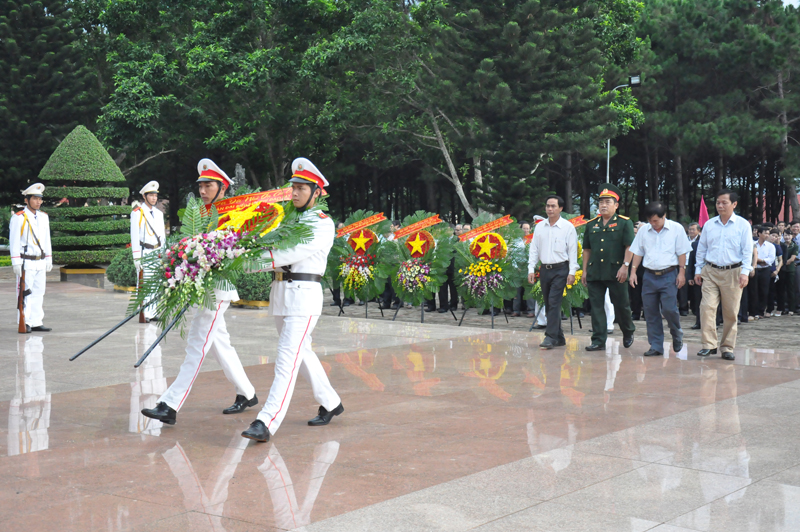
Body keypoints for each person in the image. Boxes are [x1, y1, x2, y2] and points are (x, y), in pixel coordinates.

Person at [142, 159, 258, 426]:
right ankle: (247, 393)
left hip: (218, 290)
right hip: (205, 288)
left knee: (197, 344)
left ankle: (170, 404)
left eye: (208, 185)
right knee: (220, 343)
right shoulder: (203, 215)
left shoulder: (231, 216)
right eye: (201, 186)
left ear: (223, 188)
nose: (203, 190)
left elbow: (227, 252)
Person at [242, 157, 343, 443]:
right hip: (282, 295)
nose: (295, 193)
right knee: (302, 354)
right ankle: (332, 402)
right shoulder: (286, 219)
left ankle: (266, 421)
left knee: (286, 358)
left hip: (304, 298)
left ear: (317, 192)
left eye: (301, 188)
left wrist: (245, 262)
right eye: (293, 187)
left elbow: (290, 253)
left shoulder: (322, 224)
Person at [694, 189, 754, 361]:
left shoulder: (743, 225)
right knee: (707, 308)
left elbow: (747, 251)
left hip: (733, 272)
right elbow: (702, 248)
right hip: (711, 271)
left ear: (734, 204)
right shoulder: (710, 224)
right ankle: (708, 345)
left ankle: (727, 346)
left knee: (730, 312)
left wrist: (745, 272)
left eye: (724, 202)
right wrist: (698, 270)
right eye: (718, 202)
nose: (720, 205)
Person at [628, 201, 692, 357]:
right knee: (650, 311)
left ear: (664, 216)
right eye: (650, 221)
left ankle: (676, 334)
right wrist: (633, 271)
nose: (653, 224)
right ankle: (656, 345)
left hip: (669, 274)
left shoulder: (676, 229)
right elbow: (637, 252)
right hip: (649, 275)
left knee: (669, 309)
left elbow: (682, 252)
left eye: (656, 220)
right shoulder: (644, 231)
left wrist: (682, 273)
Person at [582, 184, 635, 351]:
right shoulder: (591, 225)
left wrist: (625, 266)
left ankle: (628, 331)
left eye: (607, 202)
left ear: (616, 205)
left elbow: (629, 247)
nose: (603, 205)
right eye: (601, 202)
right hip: (595, 271)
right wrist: (584, 271)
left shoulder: (624, 223)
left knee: (621, 305)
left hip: (616, 271)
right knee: (596, 307)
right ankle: (598, 340)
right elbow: (587, 249)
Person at [528, 196, 578, 349]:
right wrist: (531, 268)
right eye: (548, 206)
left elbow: (572, 251)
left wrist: (572, 272)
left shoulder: (568, 227)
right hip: (545, 269)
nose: (550, 209)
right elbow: (534, 249)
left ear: (560, 208)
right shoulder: (539, 227)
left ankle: (550, 337)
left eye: (553, 206)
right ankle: (559, 337)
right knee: (549, 303)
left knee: (554, 302)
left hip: (561, 269)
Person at [10, 183, 52, 333]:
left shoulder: (44, 217)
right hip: (26, 261)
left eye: (40, 199)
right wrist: (15, 261)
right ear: (27, 200)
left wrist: (49, 258)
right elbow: (14, 240)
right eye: (35, 199)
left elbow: (47, 239)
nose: (38, 202)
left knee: (39, 292)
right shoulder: (19, 218)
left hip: (40, 261)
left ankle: (36, 321)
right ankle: (25, 321)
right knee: (25, 293)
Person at [130, 181, 166, 322]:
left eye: (155, 195)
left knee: (156, 283)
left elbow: (162, 236)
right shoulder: (138, 213)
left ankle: (154, 312)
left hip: (157, 252)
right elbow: (134, 236)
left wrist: (164, 254)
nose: (153, 198)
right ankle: (145, 313)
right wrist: (137, 258)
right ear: (144, 197)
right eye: (150, 195)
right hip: (145, 251)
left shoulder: (158, 213)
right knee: (145, 284)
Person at [749, 226, 774, 320]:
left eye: (768, 233)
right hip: (754, 269)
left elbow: (770, 260)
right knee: (753, 290)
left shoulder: (770, 246)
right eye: (765, 233)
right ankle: (752, 312)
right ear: (759, 233)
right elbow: (751, 257)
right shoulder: (753, 244)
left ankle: (760, 311)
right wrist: (758, 261)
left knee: (764, 291)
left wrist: (758, 259)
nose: (767, 235)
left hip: (765, 270)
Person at [686, 222, 703, 329]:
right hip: (697, 276)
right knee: (697, 299)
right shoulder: (695, 245)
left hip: (712, 275)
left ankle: (716, 320)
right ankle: (699, 321)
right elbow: (692, 262)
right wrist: (690, 277)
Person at [629, 221, 645, 320]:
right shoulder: (632, 240)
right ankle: (636, 313)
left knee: (647, 293)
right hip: (634, 270)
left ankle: (647, 314)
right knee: (635, 293)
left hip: (647, 270)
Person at [767, 229, 783, 316]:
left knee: (771, 291)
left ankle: (769, 309)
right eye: (773, 235)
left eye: (776, 236)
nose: (774, 238)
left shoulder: (776, 247)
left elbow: (781, 260)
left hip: (772, 271)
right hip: (761, 269)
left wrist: (777, 270)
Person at [782, 229, 797, 315]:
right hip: (782, 269)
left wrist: (783, 263)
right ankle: (783, 308)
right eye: (785, 235)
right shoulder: (782, 245)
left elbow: (792, 258)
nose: (787, 237)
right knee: (782, 289)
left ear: (792, 236)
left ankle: (791, 308)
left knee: (790, 289)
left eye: (789, 235)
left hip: (790, 269)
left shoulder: (794, 246)